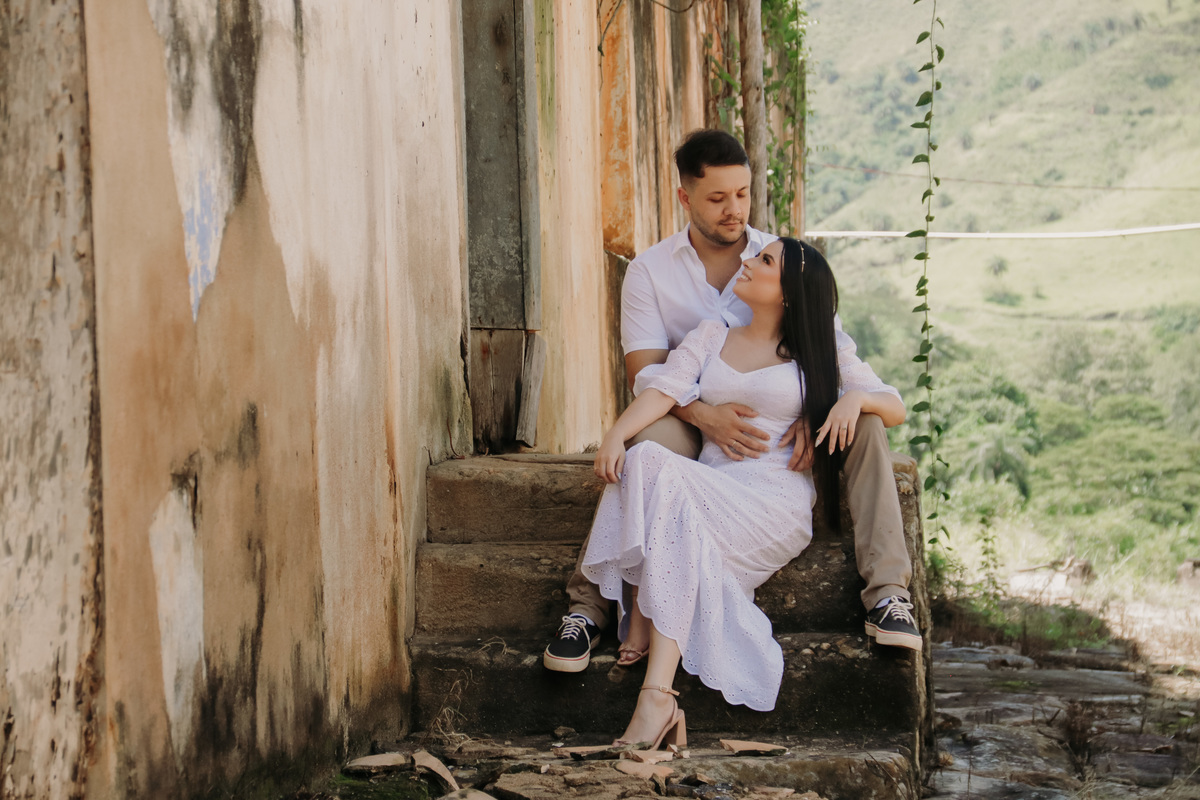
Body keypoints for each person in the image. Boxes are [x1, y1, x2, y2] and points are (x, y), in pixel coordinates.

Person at [542, 129, 921, 675]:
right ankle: (589, 609)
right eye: (718, 198)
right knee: (646, 446)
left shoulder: (780, 259)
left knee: (865, 424)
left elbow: (829, 351)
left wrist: (817, 407)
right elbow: (646, 374)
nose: (735, 210)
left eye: (742, 194)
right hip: (686, 412)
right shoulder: (651, 271)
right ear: (685, 197)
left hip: (777, 429)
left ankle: (887, 595)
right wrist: (702, 414)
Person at [580, 237, 906, 746]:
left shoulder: (820, 353)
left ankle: (646, 636)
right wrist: (616, 435)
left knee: (671, 499)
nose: (749, 261)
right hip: (713, 485)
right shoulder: (712, 334)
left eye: (765, 260)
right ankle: (657, 698)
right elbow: (663, 390)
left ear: (789, 292)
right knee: (645, 460)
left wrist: (854, 399)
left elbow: (894, 406)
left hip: (772, 501)